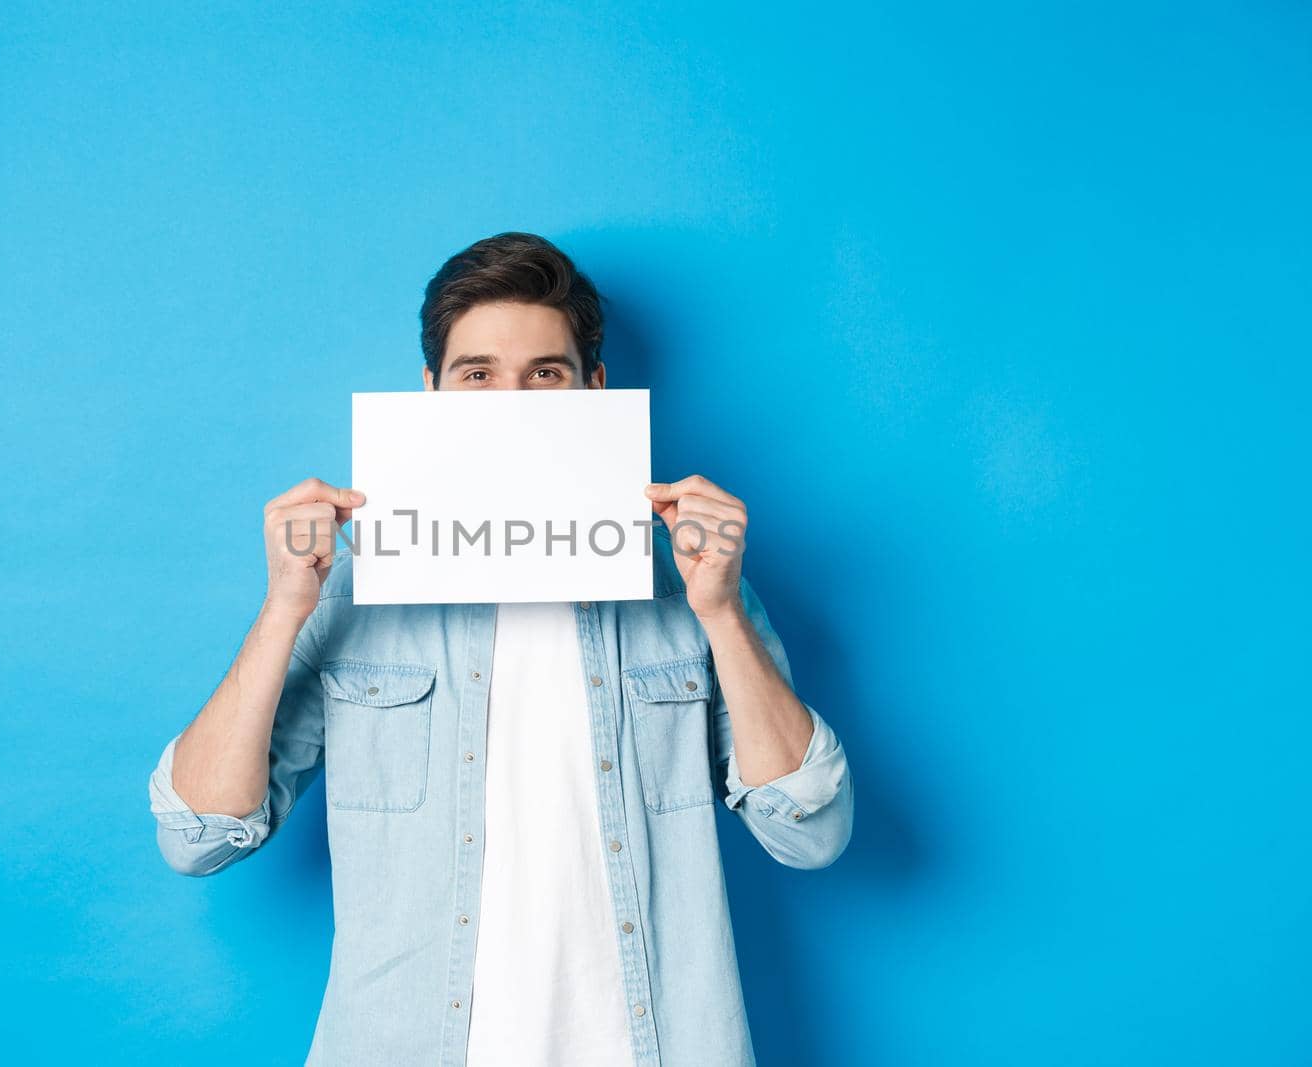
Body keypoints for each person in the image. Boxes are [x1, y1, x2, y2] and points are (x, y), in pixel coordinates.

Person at [147, 232, 853, 1066]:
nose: (510, 401)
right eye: (477, 374)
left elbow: (812, 833)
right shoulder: (352, 579)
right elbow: (195, 837)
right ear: (431, 393)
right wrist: (282, 609)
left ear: (596, 388)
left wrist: (724, 613)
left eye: (545, 375)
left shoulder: (687, 578)